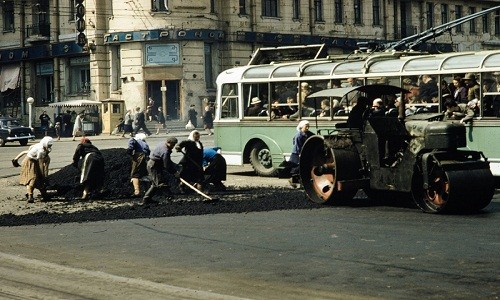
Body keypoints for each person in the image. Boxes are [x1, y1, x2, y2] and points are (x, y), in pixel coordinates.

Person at [12, 136, 53, 203]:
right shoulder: (41, 151)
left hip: (35, 162)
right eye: (49, 145)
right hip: (29, 163)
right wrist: (43, 176)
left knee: (38, 180)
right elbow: (41, 165)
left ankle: (44, 195)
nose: (50, 146)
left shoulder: (45, 154)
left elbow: (46, 168)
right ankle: (30, 196)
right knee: (32, 178)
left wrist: (46, 176)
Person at [143, 137, 180, 205]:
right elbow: (166, 165)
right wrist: (174, 172)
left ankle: (146, 199)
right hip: (154, 166)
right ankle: (170, 198)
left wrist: (175, 166)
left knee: (155, 184)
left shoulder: (162, 144)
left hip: (154, 164)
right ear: (169, 143)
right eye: (173, 145)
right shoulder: (165, 151)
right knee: (161, 183)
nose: (173, 146)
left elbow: (168, 162)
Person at [288, 120, 314, 188]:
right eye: (306, 126)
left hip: (304, 153)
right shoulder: (298, 135)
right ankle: (293, 181)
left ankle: (301, 183)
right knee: (296, 168)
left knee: (304, 168)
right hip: (297, 153)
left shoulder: (309, 134)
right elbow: (298, 146)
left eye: (308, 126)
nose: (308, 128)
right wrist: (300, 154)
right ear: (302, 126)